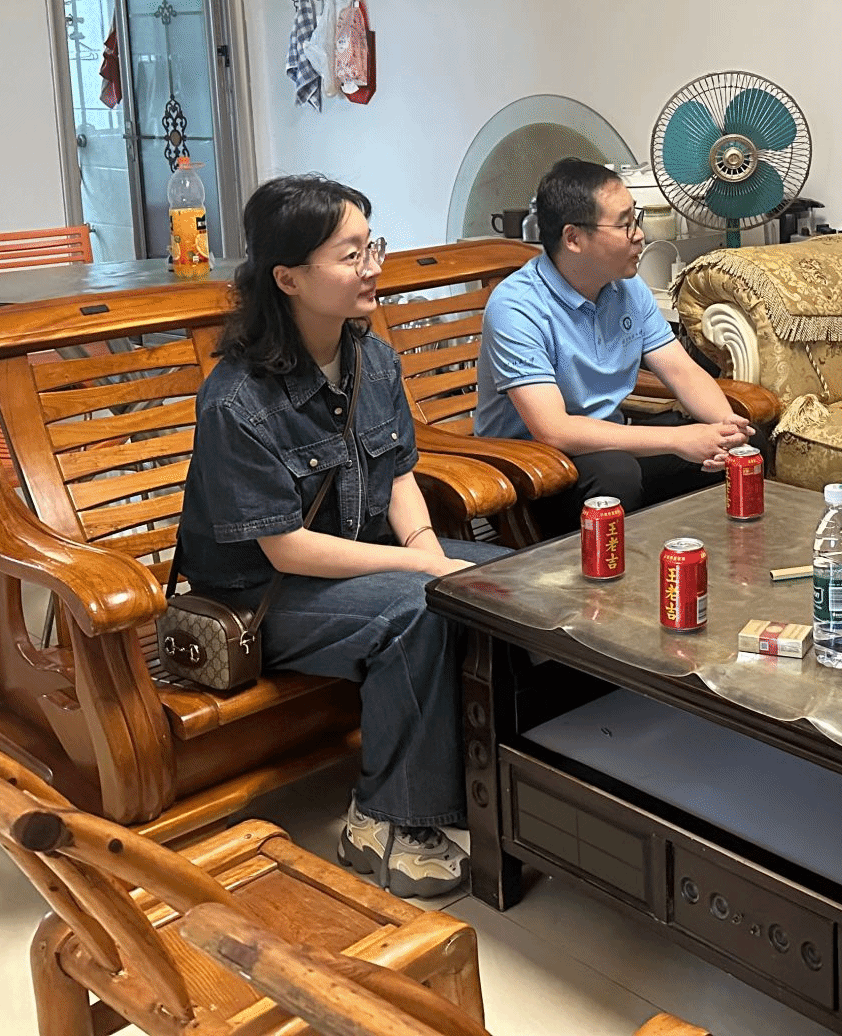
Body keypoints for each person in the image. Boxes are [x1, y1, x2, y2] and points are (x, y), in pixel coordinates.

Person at [178, 175, 507, 899]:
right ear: (288, 278)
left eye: (371, 246)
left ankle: (498, 788)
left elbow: (398, 473)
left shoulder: (373, 359)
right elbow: (286, 549)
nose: (372, 267)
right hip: (261, 595)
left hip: (357, 566)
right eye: (349, 255)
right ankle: (387, 818)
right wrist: (420, 571)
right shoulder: (237, 400)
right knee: (419, 609)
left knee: (511, 579)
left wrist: (426, 548)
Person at [474, 158, 755, 534]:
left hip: (608, 443)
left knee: (734, 451)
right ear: (573, 238)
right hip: (531, 469)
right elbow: (554, 430)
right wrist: (678, 439)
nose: (639, 235)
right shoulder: (517, 307)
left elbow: (681, 371)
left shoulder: (627, 286)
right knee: (618, 473)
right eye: (625, 225)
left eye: (636, 219)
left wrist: (726, 430)